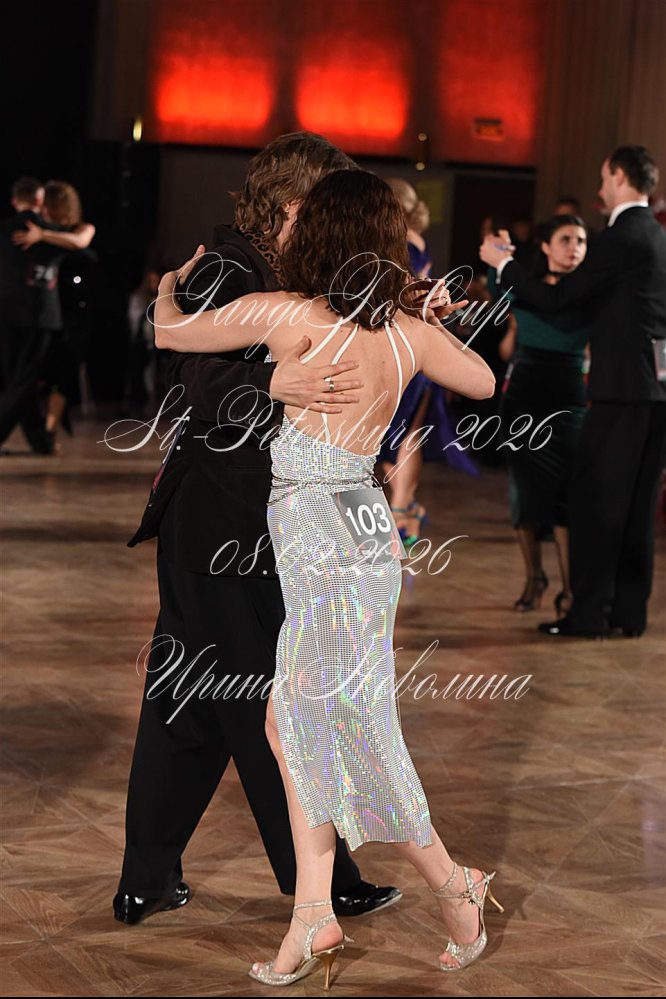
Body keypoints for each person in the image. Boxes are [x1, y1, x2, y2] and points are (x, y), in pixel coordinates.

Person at [155, 168, 502, 985]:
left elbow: (170, 332)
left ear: (318, 236)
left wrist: (171, 282)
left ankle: (450, 881)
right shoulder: (406, 335)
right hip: (366, 532)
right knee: (295, 724)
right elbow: (485, 382)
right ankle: (315, 912)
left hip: (320, 537)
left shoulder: (291, 315)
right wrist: (418, 315)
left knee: (328, 725)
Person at [114, 132, 400, 927]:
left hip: (226, 529)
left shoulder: (283, 270)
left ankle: (146, 876)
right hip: (224, 525)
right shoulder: (229, 265)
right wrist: (273, 379)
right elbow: (180, 373)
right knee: (270, 702)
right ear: (293, 204)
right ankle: (323, 882)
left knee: (189, 705)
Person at [481, 145, 666, 638]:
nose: (601, 187)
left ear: (620, 176)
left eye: (605, 177)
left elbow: (558, 298)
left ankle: (588, 616)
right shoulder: (657, 236)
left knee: (596, 502)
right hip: (654, 390)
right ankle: (627, 615)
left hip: (620, 391)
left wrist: (504, 267)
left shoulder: (621, 237)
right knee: (637, 507)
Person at [488, 215, 590, 616]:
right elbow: (496, 281)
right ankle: (534, 578)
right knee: (524, 494)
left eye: (581, 240)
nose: (574, 247)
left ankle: (571, 591)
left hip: (569, 399)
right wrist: (499, 250)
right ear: (545, 246)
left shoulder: (590, 288)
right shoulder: (524, 284)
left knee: (567, 497)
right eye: (565, 239)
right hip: (524, 398)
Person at [381, 178, 477, 548]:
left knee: (403, 433)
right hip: (408, 341)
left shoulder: (397, 242)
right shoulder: (415, 240)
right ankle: (405, 507)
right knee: (401, 433)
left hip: (409, 345)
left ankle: (401, 510)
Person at [0, 177, 91, 454]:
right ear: (39, 201)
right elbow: (82, 241)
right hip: (39, 317)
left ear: (14, 201)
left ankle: (40, 441)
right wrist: (43, 235)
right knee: (23, 381)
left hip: (6, 315)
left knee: (16, 381)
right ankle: (38, 439)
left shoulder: (5, 229)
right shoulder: (49, 230)